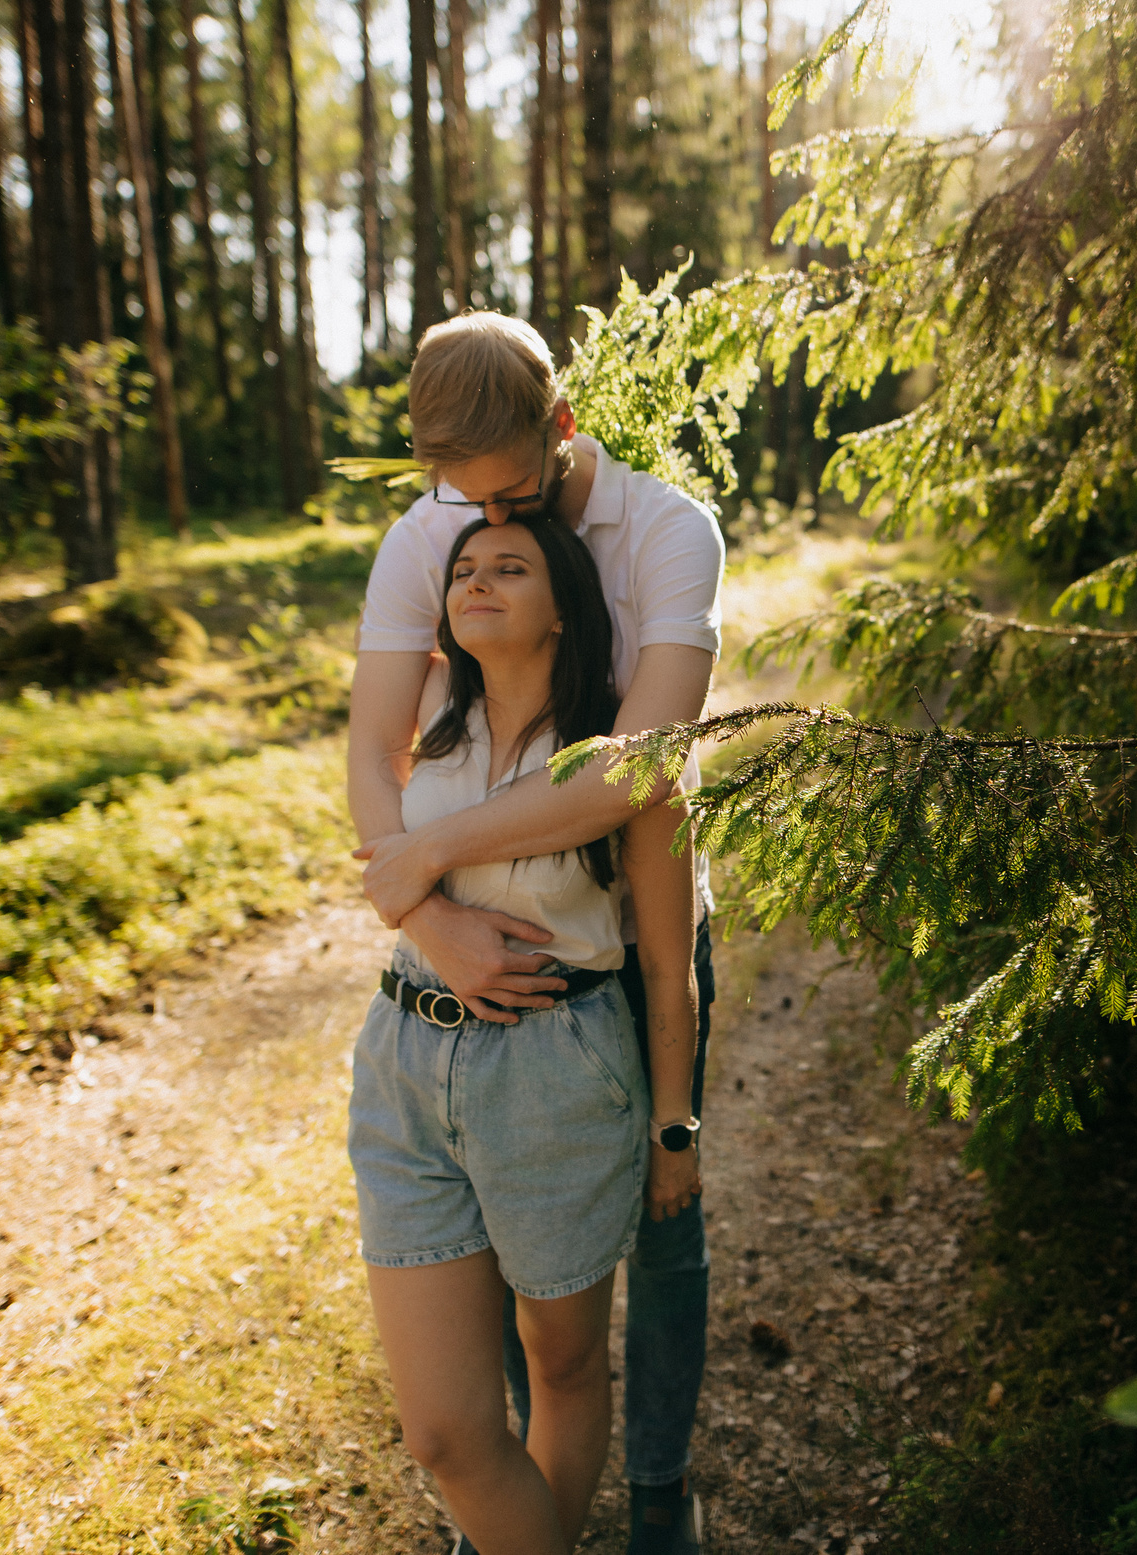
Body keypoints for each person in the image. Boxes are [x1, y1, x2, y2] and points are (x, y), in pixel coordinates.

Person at [349, 312, 724, 1554]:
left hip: (635, 923)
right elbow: (374, 744)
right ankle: (521, 1514)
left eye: (507, 496)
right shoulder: (432, 532)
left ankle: (657, 1493)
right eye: (460, 503)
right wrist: (429, 920)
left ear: (561, 430)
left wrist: (429, 862)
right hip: (462, 944)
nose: (484, 527)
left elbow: (644, 767)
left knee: (658, 1223)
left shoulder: (666, 532)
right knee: (520, 1307)